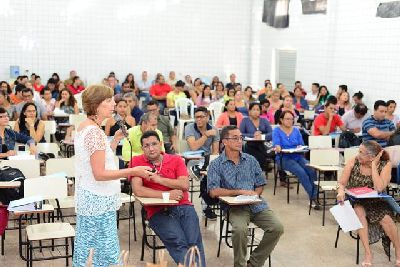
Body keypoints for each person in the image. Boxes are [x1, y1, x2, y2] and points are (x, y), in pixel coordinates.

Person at [72, 84, 153, 266]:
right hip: (97, 199)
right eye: (108, 101)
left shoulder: (87, 127)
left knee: (91, 249)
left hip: (92, 197)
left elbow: (100, 159)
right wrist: (134, 170)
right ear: (96, 104)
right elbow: (99, 173)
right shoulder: (94, 133)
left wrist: (115, 139)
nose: (113, 105)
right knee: (103, 253)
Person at [208, 125, 284, 267]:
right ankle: (240, 265)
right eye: (235, 138)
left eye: (241, 138)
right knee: (240, 230)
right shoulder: (216, 164)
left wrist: (255, 194)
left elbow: (260, 184)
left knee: (277, 227)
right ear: (224, 141)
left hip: (255, 204)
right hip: (234, 207)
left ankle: (254, 263)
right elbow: (213, 191)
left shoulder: (251, 160)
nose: (239, 141)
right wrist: (240, 192)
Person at [131, 131, 206, 266]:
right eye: (146, 146)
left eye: (154, 144)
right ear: (142, 149)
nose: (151, 148)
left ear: (160, 144)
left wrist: (159, 180)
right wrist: (167, 195)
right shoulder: (137, 161)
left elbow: (184, 184)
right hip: (158, 211)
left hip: (184, 206)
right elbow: (138, 190)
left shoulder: (176, 159)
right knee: (178, 241)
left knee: (194, 243)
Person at [337, 141, 400, 266]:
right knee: (359, 211)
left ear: (371, 157)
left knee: (386, 219)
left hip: (377, 200)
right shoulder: (353, 161)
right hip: (356, 200)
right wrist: (340, 191)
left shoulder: (385, 164)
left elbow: (379, 187)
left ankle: (398, 250)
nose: (358, 154)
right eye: (358, 151)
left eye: (361, 152)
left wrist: (373, 166)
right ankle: (368, 253)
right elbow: (342, 183)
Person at [272, 111, 318, 201]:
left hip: (298, 156)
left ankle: (314, 194)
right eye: (287, 119)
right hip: (284, 158)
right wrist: (277, 147)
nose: (290, 121)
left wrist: (300, 147)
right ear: (281, 120)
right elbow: (276, 145)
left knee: (311, 169)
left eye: (292, 119)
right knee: (301, 172)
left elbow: (302, 145)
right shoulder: (277, 130)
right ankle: (314, 197)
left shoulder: (296, 130)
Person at [185, 106, 219, 219]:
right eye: (196, 117)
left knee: (210, 173)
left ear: (207, 117)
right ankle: (205, 207)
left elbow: (215, 151)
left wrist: (212, 163)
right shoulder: (189, 127)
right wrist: (205, 135)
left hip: (207, 159)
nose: (198, 119)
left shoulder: (214, 130)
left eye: (201, 117)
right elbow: (193, 147)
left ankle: (209, 204)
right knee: (205, 173)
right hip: (192, 159)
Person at [239, 102, 273, 172]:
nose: (256, 111)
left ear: (260, 111)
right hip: (249, 145)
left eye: (258, 110)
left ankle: (259, 168)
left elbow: (272, 133)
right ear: (249, 111)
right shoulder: (245, 120)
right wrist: (253, 135)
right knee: (252, 147)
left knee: (260, 147)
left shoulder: (264, 120)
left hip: (264, 144)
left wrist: (262, 136)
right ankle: (263, 164)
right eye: (254, 109)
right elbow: (240, 134)